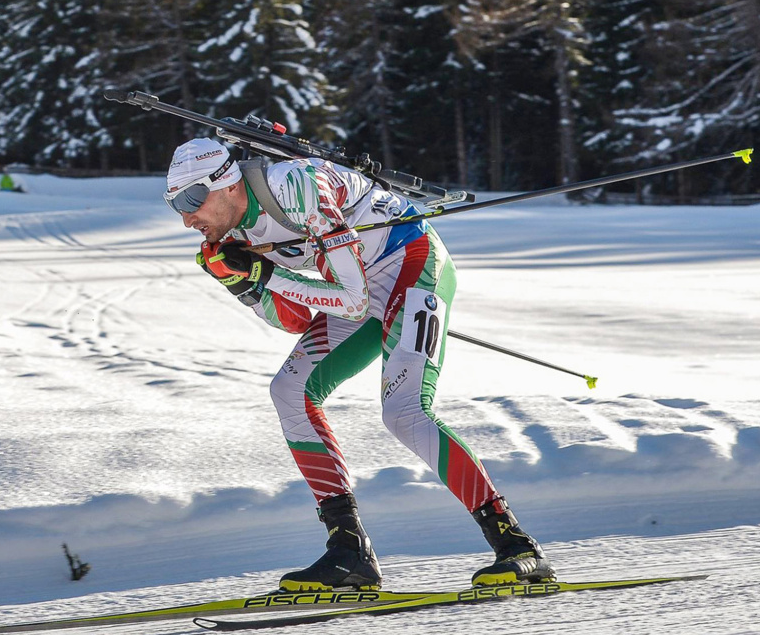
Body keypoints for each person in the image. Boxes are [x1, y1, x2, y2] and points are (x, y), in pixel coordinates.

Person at [163, 138, 554, 592]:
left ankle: (516, 545)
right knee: (290, 390)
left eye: (191, 200)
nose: (186, 217)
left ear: (229, 184)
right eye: (175, 205)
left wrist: (267, 273)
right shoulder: (229, 236)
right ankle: (349, 551)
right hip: (356, 290)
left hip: (413, 264)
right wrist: (245, 285)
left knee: (405, 412)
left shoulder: (297, 186)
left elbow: (350, 301)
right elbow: (296, 320)